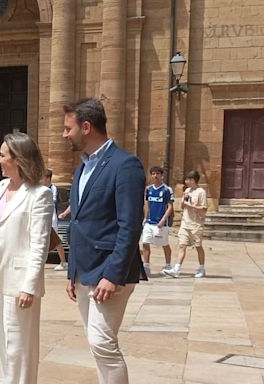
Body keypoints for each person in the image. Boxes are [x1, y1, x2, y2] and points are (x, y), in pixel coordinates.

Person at [62, 97, 146, 384]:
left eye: (67, 128)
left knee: (102, 342)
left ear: (86, 127)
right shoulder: (81, 169)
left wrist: (113, 274)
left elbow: (130, 225)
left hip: (109, 271)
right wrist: (72, 271)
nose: (64, 134)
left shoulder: (125, 165)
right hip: (84, 271)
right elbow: (79, 222)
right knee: (96, 343)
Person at [0, 132, 54, 384]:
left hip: (20, 281)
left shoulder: (39, 194)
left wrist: (30, 286)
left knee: (19, 346)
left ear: (19, 159)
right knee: (0, 340)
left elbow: (39, 244)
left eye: (2, 155)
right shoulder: (0, 188)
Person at [163, 170, 207, 278]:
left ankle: (201, 268)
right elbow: (183, 206)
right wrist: (184, 200)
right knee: (182, 246)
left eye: (187, 179)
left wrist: (191, 205)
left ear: (193, 180)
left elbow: (204, 209)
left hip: (196, 223)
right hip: (185, 223)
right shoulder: (187, 190)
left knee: (198, 246)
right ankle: (177, 268)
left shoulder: (201, 192)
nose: (186, 182)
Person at [141, 166, 175, 276]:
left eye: (157, 174)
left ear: (162, 175)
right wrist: (145, 217)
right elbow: (147, 204)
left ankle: (168, 265)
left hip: (160, 223)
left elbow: (170, 207)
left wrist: (163, 220)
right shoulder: (148, 189)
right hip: (149, 222)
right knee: (145, 243)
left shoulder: (166, 190)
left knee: (164, 244)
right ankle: (146, 266)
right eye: (153, 174)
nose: (155, 176)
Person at [41, 168, 68, 271]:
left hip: (51, 219)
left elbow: (51, 202)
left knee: (56, 241)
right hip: (44, 218)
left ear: (47, 178)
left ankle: (63, 262)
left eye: (42, 178)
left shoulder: (52, 189)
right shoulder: (41, 188)